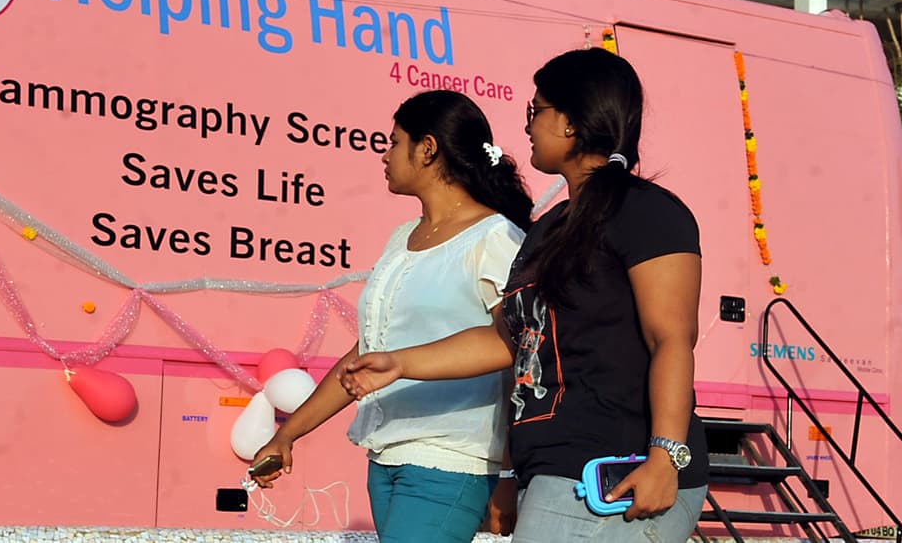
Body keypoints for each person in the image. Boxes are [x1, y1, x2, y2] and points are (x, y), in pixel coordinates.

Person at [341, 48, 709, 542]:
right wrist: (400, 363)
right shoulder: (548, 229)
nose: (528, 126)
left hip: (619, 469)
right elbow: (508, 341)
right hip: (553, 468)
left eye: (536, 111)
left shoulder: (647, 212)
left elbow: (672, 338)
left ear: (573, 123)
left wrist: (666, 456)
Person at [250, 89, 534, 543]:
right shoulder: (403, 237)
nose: (384, 155)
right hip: (384, 456)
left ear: (427, 149)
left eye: (393, 142)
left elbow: (512, 343)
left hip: (450, 455)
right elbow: (370, 349)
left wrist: (506, 474)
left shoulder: (495, 236)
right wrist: (289, 435)